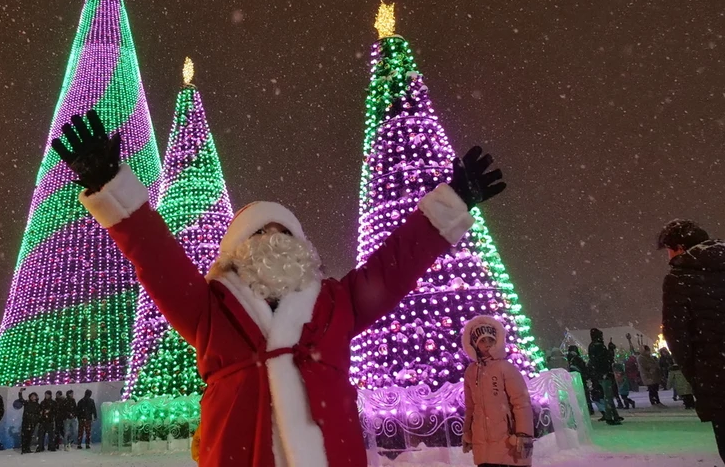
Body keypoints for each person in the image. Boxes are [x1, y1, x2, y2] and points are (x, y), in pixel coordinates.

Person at [52, 110, 505, 466]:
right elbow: (157, 258)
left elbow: (395, 265)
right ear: (236, 251)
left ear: (301, 245)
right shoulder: (209, 309)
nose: (272, 241)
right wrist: (110, 186)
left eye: (282, 232)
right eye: (259, 234)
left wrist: (453, 202)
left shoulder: (336, 301)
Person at [659, 219, 725, 467]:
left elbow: (677, 339)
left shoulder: (679, 280)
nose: (668, 256)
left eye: (669, 249)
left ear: (680, 247)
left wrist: (700, 375)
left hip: (722, 387)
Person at [460, 316, 534, 466]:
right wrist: (467, 432)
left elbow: (521, 403)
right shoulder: (471, 372)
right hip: (483, 446)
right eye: (482, 340)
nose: (487, 344)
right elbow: (470, 407)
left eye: (490, 340)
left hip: (508, 442)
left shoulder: (505, 368)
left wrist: (524, 434)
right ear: (475, 344)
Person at [588, 328, 621, 425]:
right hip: (605, 374)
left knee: (608, 395)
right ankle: (610, 416)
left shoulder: (592, 346)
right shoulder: (599, 347)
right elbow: (608, 359)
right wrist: (610, 349)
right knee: (608, 396)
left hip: (600, 374)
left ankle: (614, 415)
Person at [566, 345, 594, 416]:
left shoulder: (568, 359)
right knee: (584, 394)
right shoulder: (578, 359)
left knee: (576, 395)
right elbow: (584, 368)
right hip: (581, 378)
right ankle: (588, 409)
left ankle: (580, 410)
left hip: (572, 379)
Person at [14, 389, 40, 454]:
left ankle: (27, 448)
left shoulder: (37, 405)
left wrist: (35, 419)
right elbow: (21, 399)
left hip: (32, 422)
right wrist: (20, 392)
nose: (32, 397)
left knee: (29, 436)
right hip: (26, 422)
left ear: (36, 397)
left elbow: (38, 414)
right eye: (31, 396)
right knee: (24, 436)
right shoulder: (27, 402)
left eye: (34, 396)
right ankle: (24, 449)